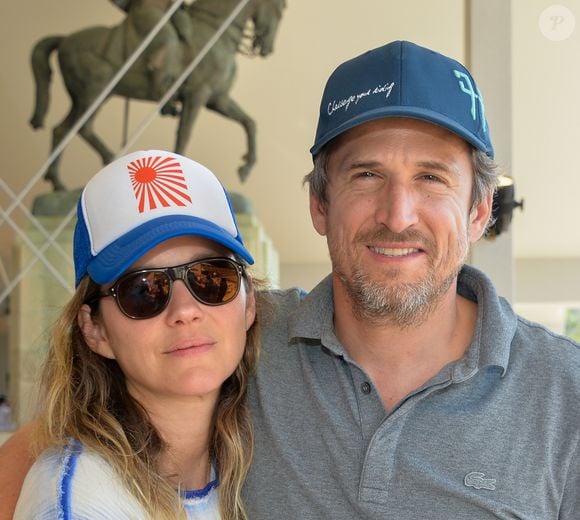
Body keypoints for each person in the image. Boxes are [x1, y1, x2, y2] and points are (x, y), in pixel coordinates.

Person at [2, 40, 580, 519]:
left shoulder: (565, 394)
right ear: (320, 205)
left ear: (478, 211)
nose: (398, 213)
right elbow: (65, 440)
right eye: (366, 174)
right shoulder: (237, 338)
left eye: (432, 178)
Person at [10, 150, 259, 519]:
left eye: (211, 277)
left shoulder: (258, 458)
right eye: (144, 290)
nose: (185, 311)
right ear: (95, 330)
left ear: (249, 302)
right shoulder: (80, 501)